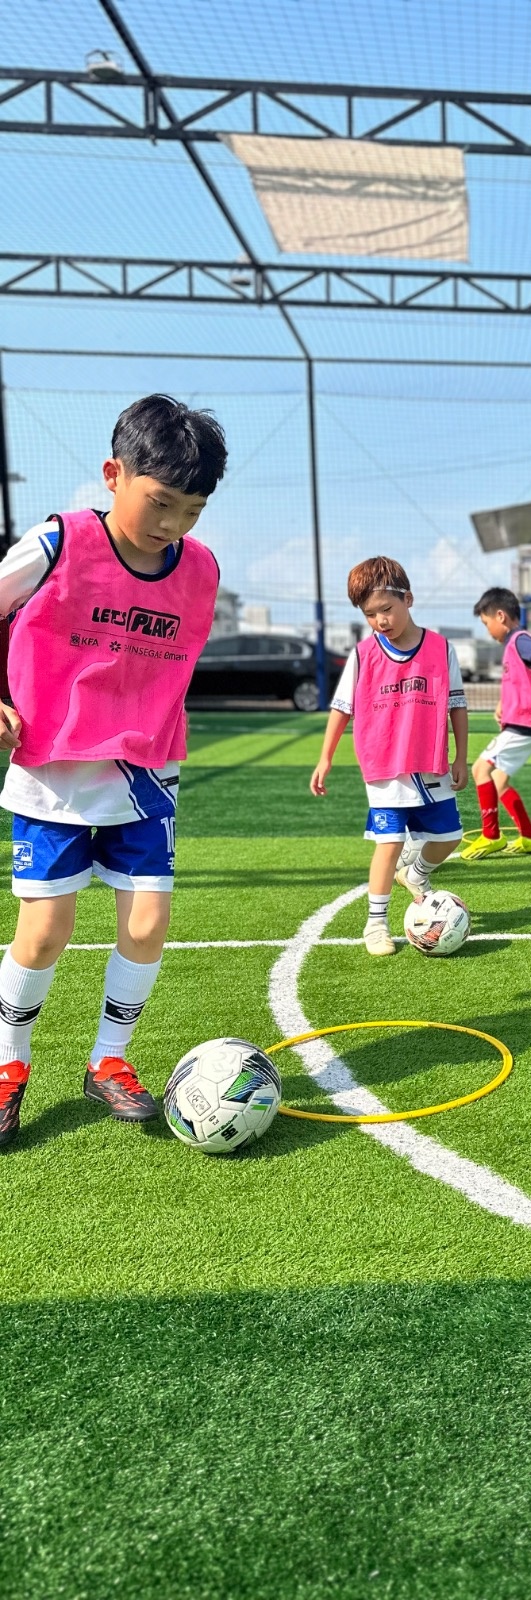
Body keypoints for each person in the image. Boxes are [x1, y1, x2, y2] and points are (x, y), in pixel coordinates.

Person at [0, 394, 226, 1148]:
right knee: (45, 930)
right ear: (113, 474)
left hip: (145, 770)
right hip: (55, 772)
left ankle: (109, 1059)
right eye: (160, 502)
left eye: (191, 510)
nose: (172, 524)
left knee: (149, 919)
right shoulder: (58, 543)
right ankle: (9, 1065)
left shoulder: (200, 570)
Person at [310, 556, 468, 955]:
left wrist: (461, 756)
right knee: (389, 843)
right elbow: (341, 708)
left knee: (449, 836)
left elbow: (457, 705)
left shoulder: (441, 648)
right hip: (383, 767)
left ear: (408, 599)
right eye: (370, 614)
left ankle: (416, 875)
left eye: (387, 609)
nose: (381, 620)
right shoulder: (363, 655)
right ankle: (375, 925)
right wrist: (325, 758)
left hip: (430, 761)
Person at [460, 586, 531, 860]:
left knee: (480, 769)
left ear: (500, 616)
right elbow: (519, 681)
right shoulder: (513, 645)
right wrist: (504, 704)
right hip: (523, 724)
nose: (487, 630)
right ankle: (530, 838)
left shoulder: (520, 639)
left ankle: (491, 836)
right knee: (499, 781)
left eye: (486, 622)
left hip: (525, 724)